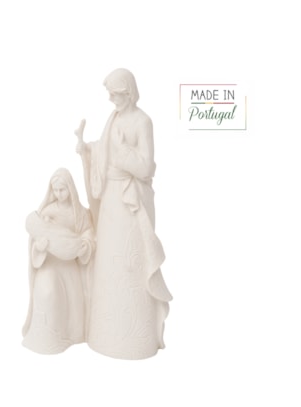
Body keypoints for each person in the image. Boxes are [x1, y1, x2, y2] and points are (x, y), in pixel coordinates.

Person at [76, 68, 172, 359]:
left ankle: (134, 338)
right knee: (110, 260)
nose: (111, 99)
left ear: (128, 92)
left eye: (115, 94)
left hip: (131, 203)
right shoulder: (114, 118)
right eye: (109, 94)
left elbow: (146, 167)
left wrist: (121, 151)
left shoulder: (143, 122)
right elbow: (105, 151)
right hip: (111, 201)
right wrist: (87, 150)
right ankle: (106, 333)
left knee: (130, 264)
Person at [22, 168, 94, 354]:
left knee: (73, 302)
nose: (59, 194)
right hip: (50, 264)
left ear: (70, 188)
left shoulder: (80, 213)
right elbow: (36, 235)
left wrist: (85, 245)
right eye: (55, 190)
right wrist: (40, 247)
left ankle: (72, 334)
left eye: (62, 189)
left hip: (69, 266)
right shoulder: (48, 212)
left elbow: (88, 232)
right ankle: (49, 336)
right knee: (48, 292)